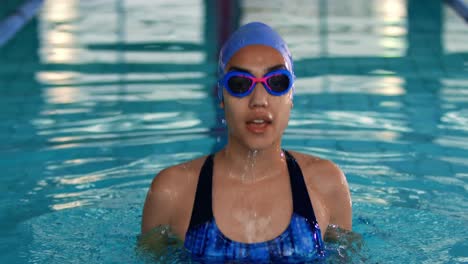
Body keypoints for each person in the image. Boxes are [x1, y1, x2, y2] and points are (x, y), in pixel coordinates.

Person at [141, 21, 352, 262]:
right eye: (240, 84)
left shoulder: (326, 183)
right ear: (221, 96)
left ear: (291, 95)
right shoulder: (172, 191)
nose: (259, 100)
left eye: (277, 82)